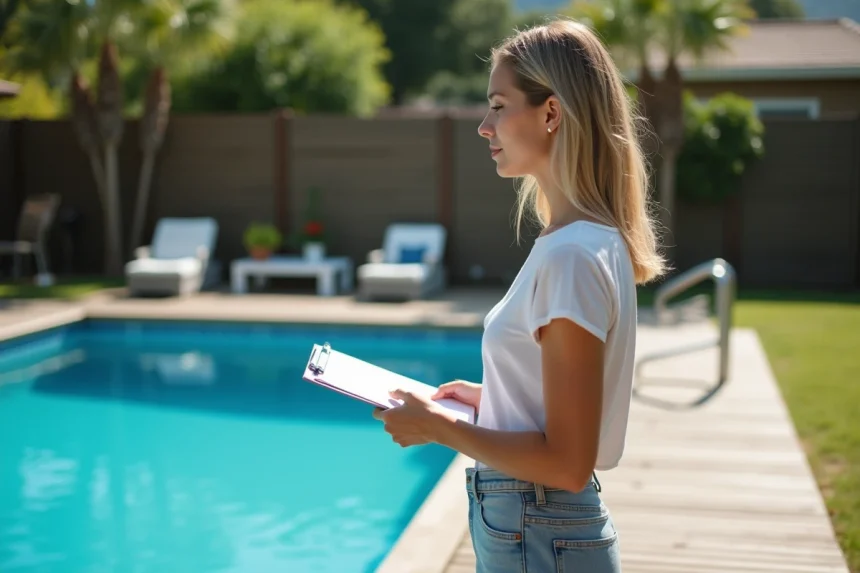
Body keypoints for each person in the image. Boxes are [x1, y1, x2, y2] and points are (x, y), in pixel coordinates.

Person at [372, 18, 666, 573]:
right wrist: (492, 398)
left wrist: (437, 426)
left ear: (551, 113)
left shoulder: (572, 256)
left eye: (499, 106)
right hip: (541, 529)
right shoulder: (583, 242)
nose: (484, 126)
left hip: (539, 528)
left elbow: (567, 461)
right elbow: (569, 412)